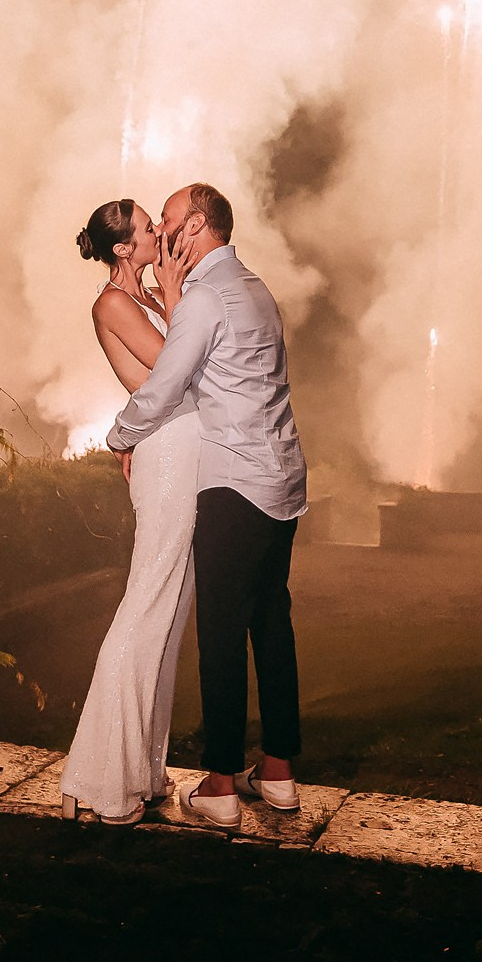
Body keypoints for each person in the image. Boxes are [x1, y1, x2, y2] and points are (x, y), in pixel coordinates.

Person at [106, 182, 306, 828]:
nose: (162, 234)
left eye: (167, 222)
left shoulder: (204, 298)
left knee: (220, 632)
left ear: (195, 226)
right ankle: (277, 772)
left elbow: (167, 383)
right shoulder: (253, 288)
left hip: (233, 482)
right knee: (271, 623)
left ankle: (220, 784)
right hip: (282, 479)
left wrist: (120, 436)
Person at [56, 197, 198, 825]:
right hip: (166, 457)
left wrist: (170, 289)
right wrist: (174, 292)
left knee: (170, 616)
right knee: (147, 608)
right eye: (147, 227)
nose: (158, 230)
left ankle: (144, 769)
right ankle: (99, 780)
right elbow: (175, 367)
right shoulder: (113, 303)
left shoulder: (148, 295)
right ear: (122, 248)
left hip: (184, 451)